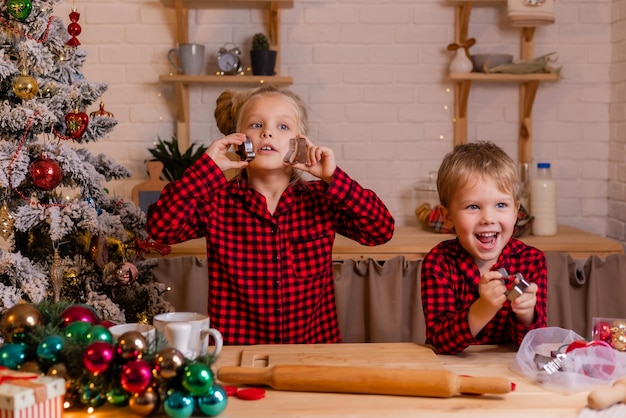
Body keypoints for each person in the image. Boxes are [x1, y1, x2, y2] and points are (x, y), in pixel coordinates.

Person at [146, 85, 394, 345]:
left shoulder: (323, 199)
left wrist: (334, 178)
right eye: (256, 125)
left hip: (312, 353)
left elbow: (380, 230)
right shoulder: (215, 202)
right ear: (238, 140)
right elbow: (161, 228)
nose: (267, 132)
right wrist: (205, 171)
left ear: (300, 143)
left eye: (283, 127)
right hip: (236, 355)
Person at [421, 141, 547, 354]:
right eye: (473, 206)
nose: (488, 218)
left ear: (516, 212)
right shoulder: (438, 262)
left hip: (511, 372)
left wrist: (526, 315)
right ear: (447, 216)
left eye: (501, 205)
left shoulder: (532, 260)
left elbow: (534, 347)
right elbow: (439, 341)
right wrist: (483, 309)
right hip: (453, 373)